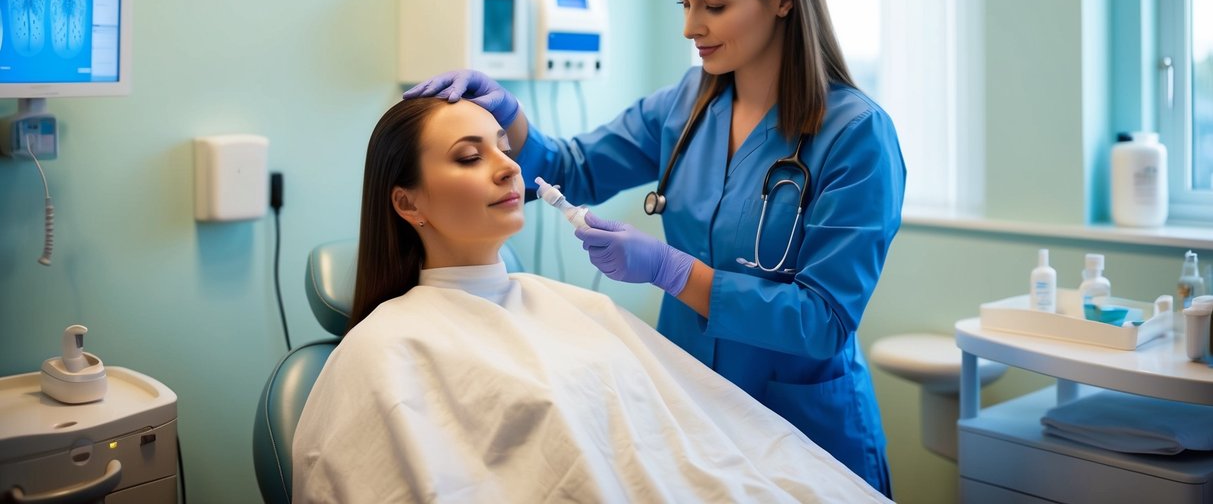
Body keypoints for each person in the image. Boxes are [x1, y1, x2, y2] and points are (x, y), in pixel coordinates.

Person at [404, 0, 906, 495]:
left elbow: (823, 321)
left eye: (714, 6)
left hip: (801, 417)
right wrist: (510, 117)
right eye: (686, 4)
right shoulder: (687, 104)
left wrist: (670, 269)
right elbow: (573, 167)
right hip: (689, 399)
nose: (691, 27)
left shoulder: (854, 135)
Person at [292, 96, 891, 503]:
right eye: (471, 156)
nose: (508, 168)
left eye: (505, 146)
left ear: (782, 0)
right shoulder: (387, 349)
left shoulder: (579, 310)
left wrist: (669, 267)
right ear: (408, 204)